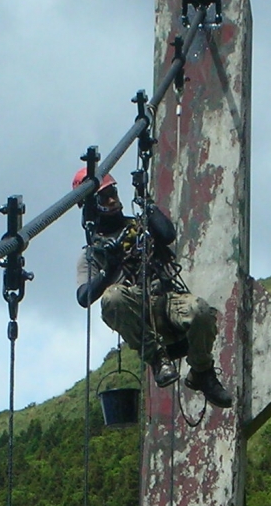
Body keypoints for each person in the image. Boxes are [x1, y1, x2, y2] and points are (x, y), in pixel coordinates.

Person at [74, 168, 233, 409]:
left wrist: (145, 200)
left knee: (199, 310)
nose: (112, 200)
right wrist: (109, 269)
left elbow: (167, 234)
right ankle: (157, 358)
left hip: (166, 298)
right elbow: (84, 297)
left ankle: (202, 371)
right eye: (104, 197)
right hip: (139, 310)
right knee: (112, 297)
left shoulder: (140, 226)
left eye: (113, 193)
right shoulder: (93, 254)